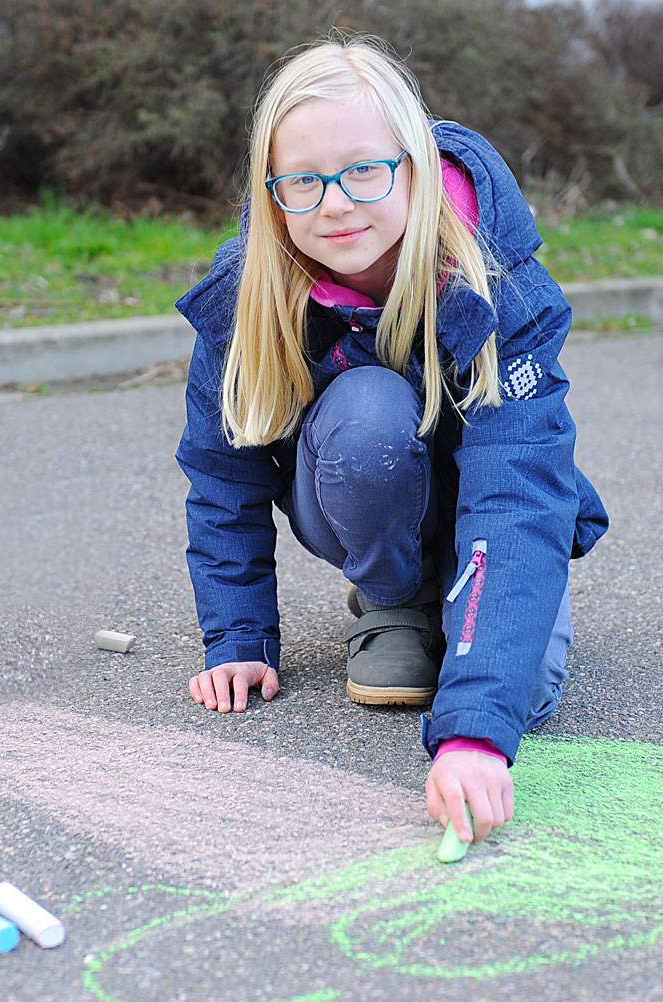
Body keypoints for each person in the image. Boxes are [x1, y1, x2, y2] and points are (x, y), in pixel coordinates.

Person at [175, 33, 608, 846]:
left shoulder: (496, 283)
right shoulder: (251, 291)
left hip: (488, 511)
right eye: (302, 182)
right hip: (361, 481)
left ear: (413, 164)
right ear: (272, 194)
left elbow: (518, 485)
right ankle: (396, 595)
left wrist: (476, 731)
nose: (334, 203)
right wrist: (237, 634)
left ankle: (484, 599)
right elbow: (221, 469)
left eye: (365, 171)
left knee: (525, 697)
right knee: (369, 412)